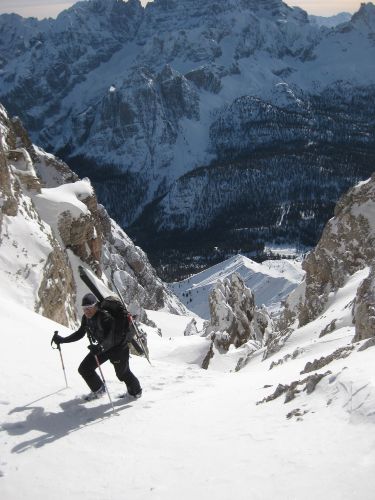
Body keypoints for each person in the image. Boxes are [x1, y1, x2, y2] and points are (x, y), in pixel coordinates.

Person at [52, 293, 142, 401]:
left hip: (117, 348)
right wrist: (62, 340)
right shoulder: (87, 318)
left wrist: (100, 348)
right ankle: (99, 390)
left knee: (123, 374)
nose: (87, 311)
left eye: (89, 308)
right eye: (84, 308)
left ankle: (135, 392)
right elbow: (80, 333)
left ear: (96, 306)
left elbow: (112, 338)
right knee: (85, 369)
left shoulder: (105, 317)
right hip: (102, 348)